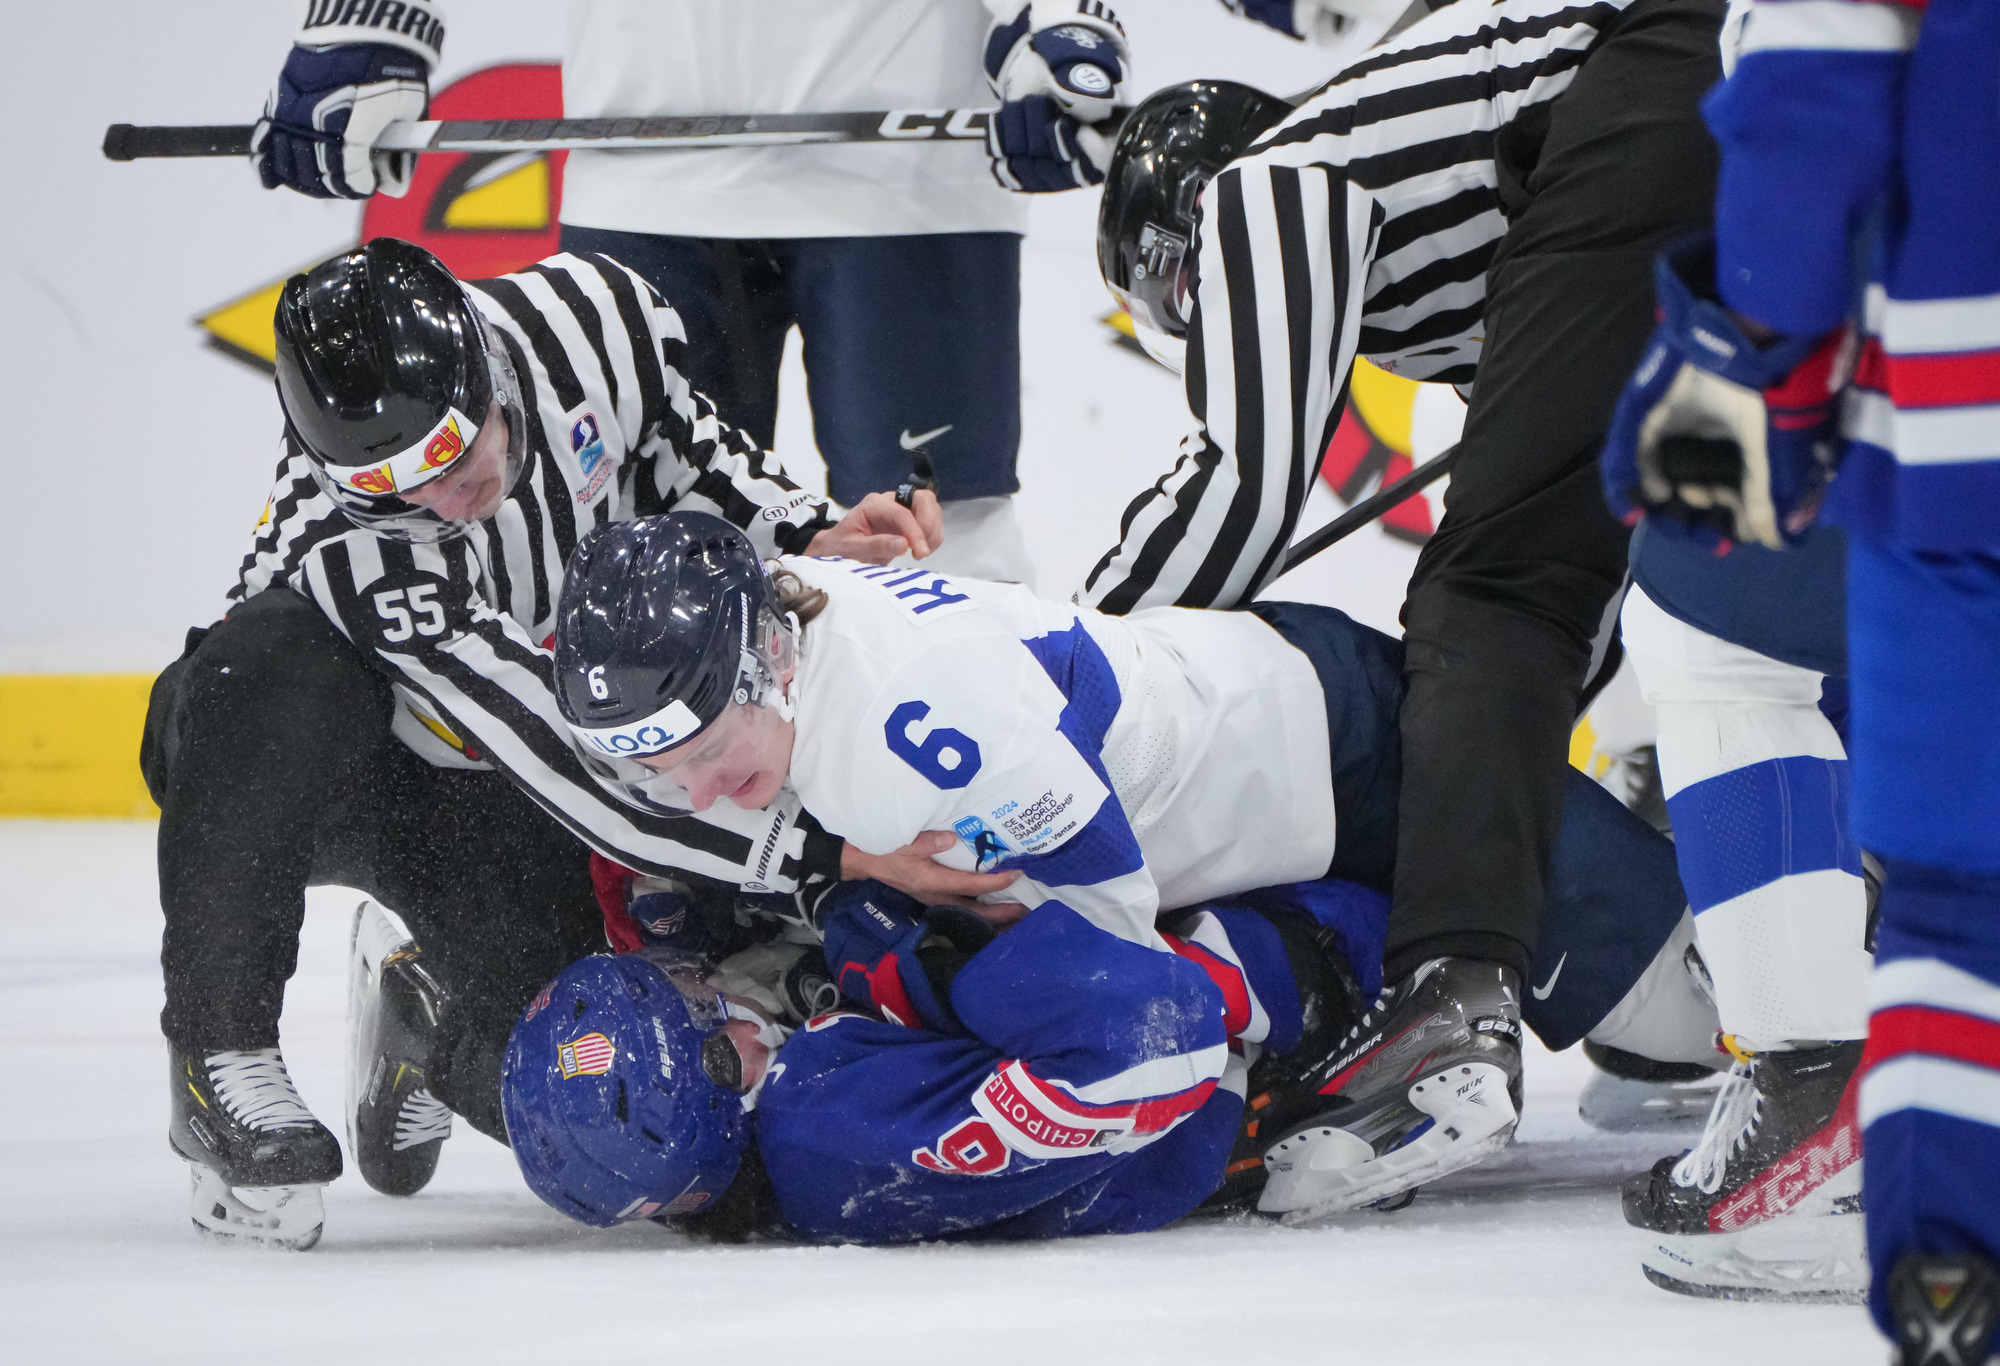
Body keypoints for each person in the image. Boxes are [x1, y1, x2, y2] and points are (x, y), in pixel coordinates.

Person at [521, 508, 1722, 1232]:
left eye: (714, 760)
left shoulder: (905, 726)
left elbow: (1112, 916)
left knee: (1700, 1015)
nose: (700, 795)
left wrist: (1199, 1062)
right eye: (663, 773)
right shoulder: (791, 632)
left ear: (766, 671)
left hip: (1352, 764)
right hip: (1274, 732)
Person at [142, 236, 943, 1248]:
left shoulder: (599, 318)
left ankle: (429, 1014)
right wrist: (814, 860)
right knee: (269, 661)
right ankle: (219, 1056)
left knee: (584, 1072)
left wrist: (805, 529)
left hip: (478, 790)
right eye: (390, 485)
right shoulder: (346, 540)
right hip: (315, 773)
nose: (439, 498)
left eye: (444, 453)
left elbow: (686, 453)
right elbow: (560, 753)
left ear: (484, 365)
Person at [1078, 0, 1725, 1194]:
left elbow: (1245, 482)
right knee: (1780, 587)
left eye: (1174, 297)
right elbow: (1565, 624)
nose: (1196, 320)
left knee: (1488, 593)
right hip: (1786, 85)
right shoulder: (1471, 252)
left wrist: (1065, 657)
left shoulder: (1263, 186)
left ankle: (1447, 1007)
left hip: (1662, 72)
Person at [1596, 0, 2000, 1351]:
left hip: (1963, 437)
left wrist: (1731, 377)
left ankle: (1826, 1087)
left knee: (1709, 612)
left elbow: (1805, 119)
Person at [249, 0, 1136, 587]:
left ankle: (980, 825)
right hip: (650, 168)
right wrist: (373, 20)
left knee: (941, 530)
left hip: (907, 162)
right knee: (644, 534)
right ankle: (683, 854)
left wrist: (1063, 14)